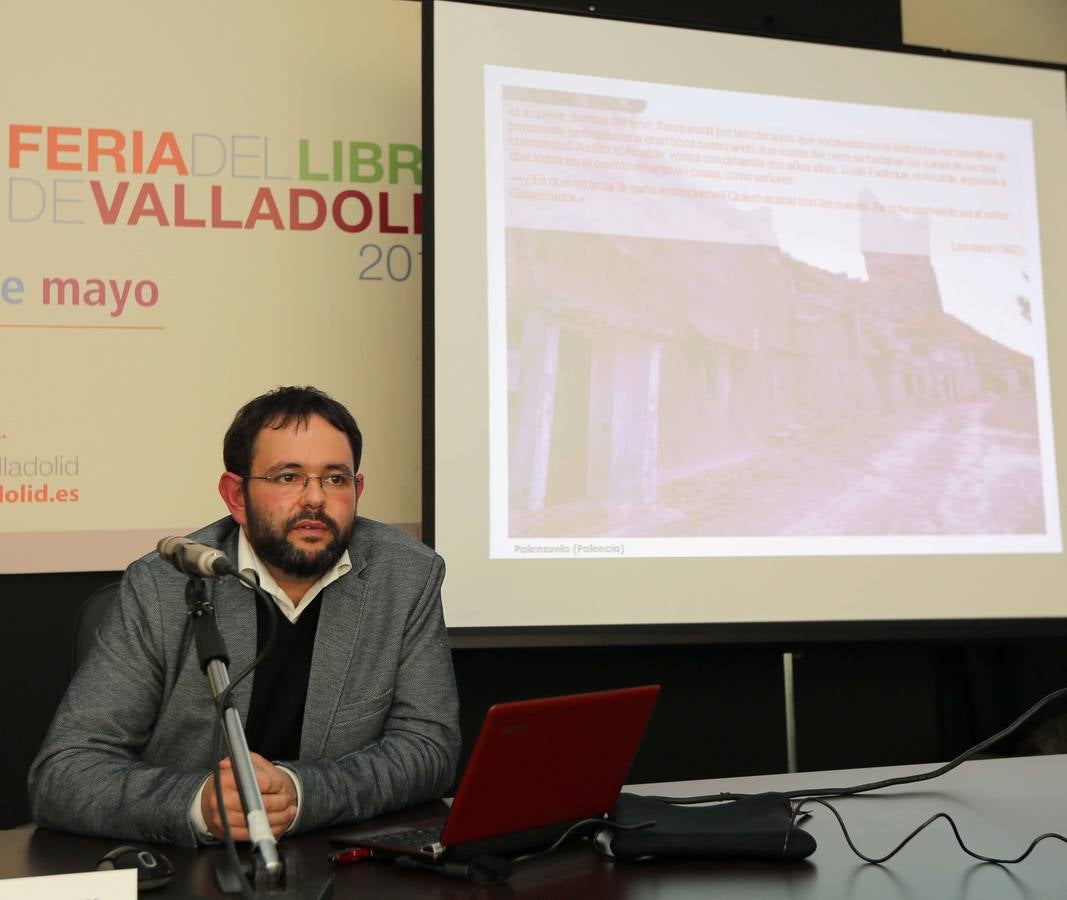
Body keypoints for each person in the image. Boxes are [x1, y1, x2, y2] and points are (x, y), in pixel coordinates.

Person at [28, 386, 460, 847]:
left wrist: (301, 793)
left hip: (336, 856)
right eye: (288, 477)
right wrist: (199, 804)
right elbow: (64, 773)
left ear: (357, 489)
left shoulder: (406, 576)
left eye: (335, 479)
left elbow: (429, 748)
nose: (314, 499)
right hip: (193, 868)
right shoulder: (163, 587)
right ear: (236, 495)